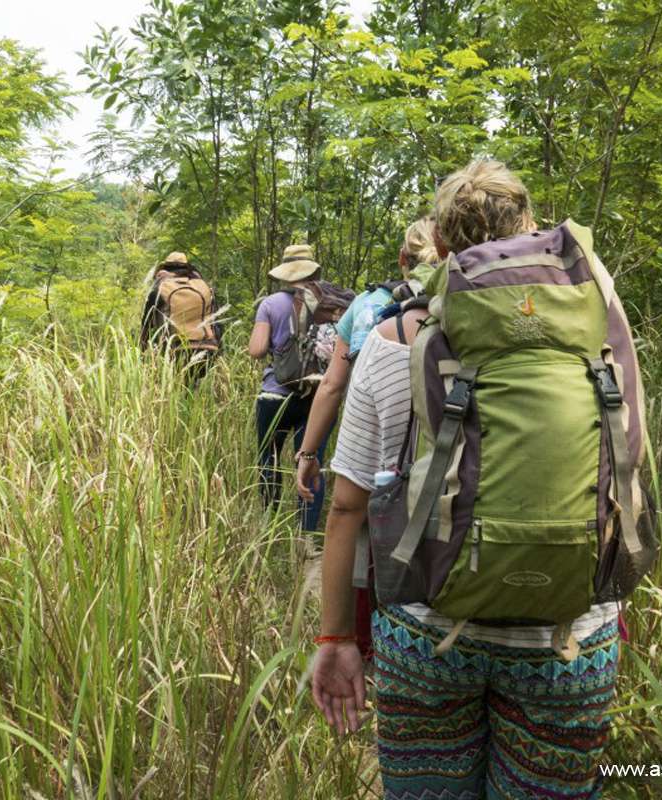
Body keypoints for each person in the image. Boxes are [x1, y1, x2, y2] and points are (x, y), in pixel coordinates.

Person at [311, 161, 627, 799]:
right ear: (531, 231)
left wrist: (336, 636)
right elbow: (622, 465)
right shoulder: (596, 331)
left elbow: (346, 508)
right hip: (571, 635)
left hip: (427, 632)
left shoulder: (395, 337)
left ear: (444, 248)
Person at [294, 218, 438, 659]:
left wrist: (309, 451)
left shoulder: (368, 306)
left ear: (402, 259)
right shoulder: (482, 305)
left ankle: (369, 654)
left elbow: (333, 385)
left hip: (375, 462)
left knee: (364, 551)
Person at [249, 244, 333, 531]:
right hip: (316, 396)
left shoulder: (270, 304)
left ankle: (269, 528)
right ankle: (305, 536)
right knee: (311, 463)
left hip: (275, 394)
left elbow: (257, 349)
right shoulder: (327, 302)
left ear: (285, 273)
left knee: (268, 458)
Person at [140, 251, 221, 382]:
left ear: (165, 268)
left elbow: (146, 326)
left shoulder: (160, 288)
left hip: (174, 351)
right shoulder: (203, 286)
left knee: (174, 392)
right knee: (192, 389)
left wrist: (142, 355)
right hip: (207, 350)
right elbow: (217, 322)